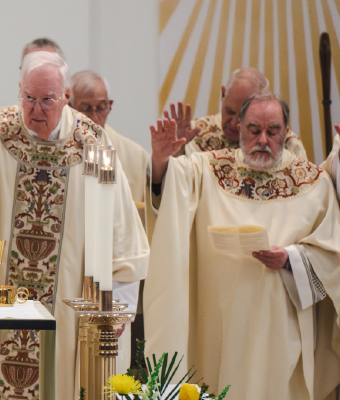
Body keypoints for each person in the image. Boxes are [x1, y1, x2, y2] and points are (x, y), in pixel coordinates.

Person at [0, 51, 148, 399]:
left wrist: (118, 305)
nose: (35, 110)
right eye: (29, 98)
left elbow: (119, 224)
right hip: (2, 296)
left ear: (66, 97)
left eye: (47, 100)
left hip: (69, 305)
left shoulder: (92, 142)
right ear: (20, 90)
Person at [145, 92, 340, 399]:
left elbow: (332, 254)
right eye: (254, 130)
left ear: (286, 132)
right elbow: (168, 189)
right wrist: (160, 158)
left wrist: (292, 259)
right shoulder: (207, 170)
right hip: (218, 323)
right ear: (239, 126)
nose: (263, 139)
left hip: (279, 325)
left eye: (273, 131)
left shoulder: (312, 182)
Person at [68, 68, 149, 372]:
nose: (93, 116)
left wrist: (119, 308)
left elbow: (124, 234)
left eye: (100, 107)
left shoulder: (104, 153)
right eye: (84, 108)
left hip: (96, 294)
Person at [165, 68, 306, 158]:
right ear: (223, 94)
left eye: (241, 117)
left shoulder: (286, 144)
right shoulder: (194, 135)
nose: (233, 123)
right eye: (229, 111)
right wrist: (177, 152)